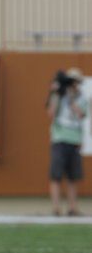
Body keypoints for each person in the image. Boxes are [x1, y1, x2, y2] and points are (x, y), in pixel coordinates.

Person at [47, 68, 87, 216]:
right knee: (56, 175)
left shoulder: (82, 98)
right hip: (59, 139)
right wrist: (56, 94)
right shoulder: (58, 95)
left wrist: (71, 100)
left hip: (74, 141)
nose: (74, 85)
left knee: (73, 177)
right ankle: (56, 208)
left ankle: (72, 208)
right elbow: (50, 114)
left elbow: (81, 114)